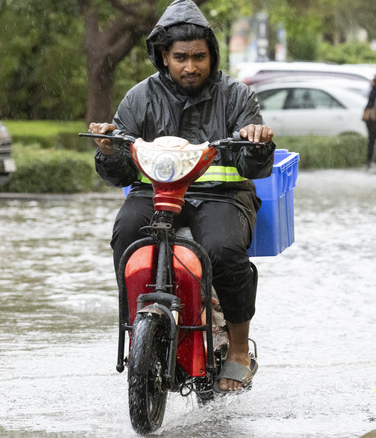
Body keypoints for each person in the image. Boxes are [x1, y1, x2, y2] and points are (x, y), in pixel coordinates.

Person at [88, 0, 275, 393]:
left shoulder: (237, 96)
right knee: (125, 236)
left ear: (212, 55)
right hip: (153, 196)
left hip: (222, 197)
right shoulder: (139, 98)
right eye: (180, 58)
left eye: (199, 57)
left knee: (222, 250)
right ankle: (136, 324)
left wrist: (257, 144)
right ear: (163, 57)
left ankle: (239, 349)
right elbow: (120, 169)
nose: (190, 66)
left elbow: (253, 167)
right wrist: (108, 150)